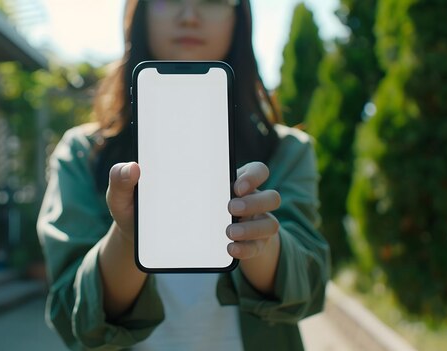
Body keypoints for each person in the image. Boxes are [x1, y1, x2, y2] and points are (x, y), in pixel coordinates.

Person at [37, 0, 330, 350]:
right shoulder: (83, 154)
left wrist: (261, 243)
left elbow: (310, 291)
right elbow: (72, 316)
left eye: (212, 0)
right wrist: (129, 235)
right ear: (139, 12)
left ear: (239, 15)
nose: (189, 17)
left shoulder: (287, 152)